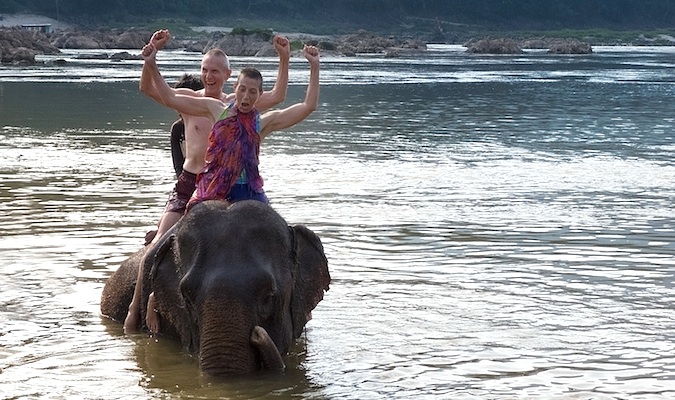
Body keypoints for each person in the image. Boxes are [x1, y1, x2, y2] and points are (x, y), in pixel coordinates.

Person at [124, 29, 291, 334]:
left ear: (228, 75)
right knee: (159, 244)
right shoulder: (192, 100)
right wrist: (151, 59)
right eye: (204, 70)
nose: (209, 75)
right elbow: (152, 90)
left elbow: (278, 97)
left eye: (215, 71)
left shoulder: (235, 104)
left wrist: (283, 58)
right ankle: (137, 307)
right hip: (190, 183)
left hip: (222, 186)